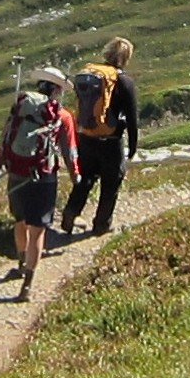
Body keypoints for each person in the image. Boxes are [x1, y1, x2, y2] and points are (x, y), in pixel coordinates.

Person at [0, 66, 79, 301]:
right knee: (38, 231)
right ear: (57, 89)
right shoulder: (62, 115)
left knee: (20, 221)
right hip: (43, 176)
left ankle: (20, 263)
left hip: (16, 172)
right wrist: (75, 177)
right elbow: (70, 152)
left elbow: (3, 140)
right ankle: (27, 285)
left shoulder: (19, 107)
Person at [61, 36, 139, 237]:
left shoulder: (91, 75)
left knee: (85, 178)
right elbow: (132, 117)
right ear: (126, 57)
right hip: (111, 141)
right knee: (111, 182)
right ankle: (101, 224)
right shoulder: (124, 82)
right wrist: (133, 146)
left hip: (86, 136)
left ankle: (70, 212)